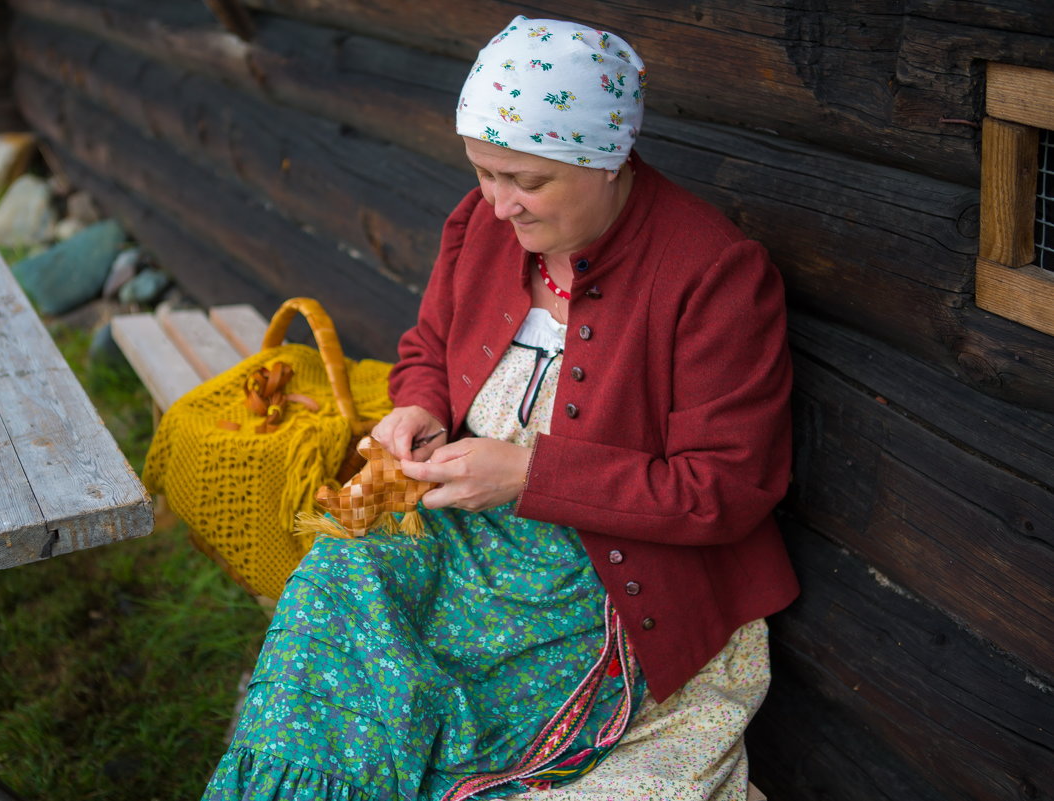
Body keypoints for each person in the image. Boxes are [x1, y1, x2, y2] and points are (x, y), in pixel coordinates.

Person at [203, 16, 798, 801]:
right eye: (484, 171)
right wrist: (417, 406)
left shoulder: (714, 275)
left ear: (609, 157)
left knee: (459, 710)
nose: (499, 204)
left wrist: (528, 474)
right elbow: (427, 347)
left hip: (604, 576)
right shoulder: (477, 226)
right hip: (466, 528)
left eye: (527, 180)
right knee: (335, 588)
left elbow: (724, 489)